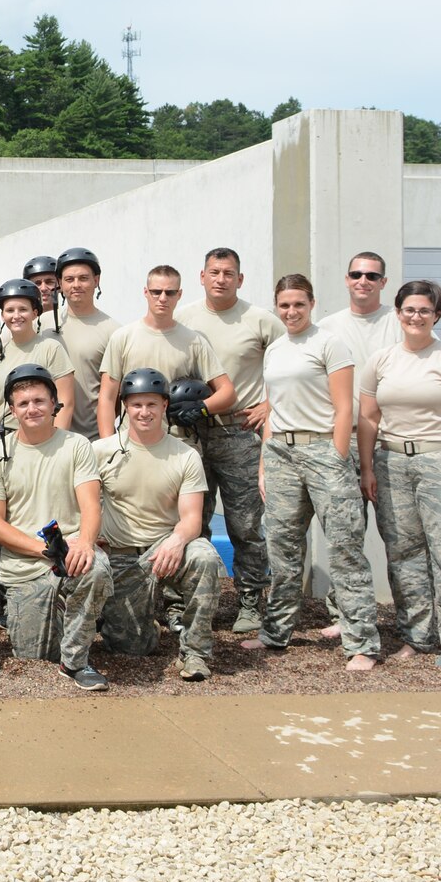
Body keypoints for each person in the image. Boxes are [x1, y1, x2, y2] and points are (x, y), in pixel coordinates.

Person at [358, 281, 441, 669]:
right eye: (409, 310)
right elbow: (368, 417)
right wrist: (367, 468)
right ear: (397, 313)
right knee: (403, 555)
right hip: (392, 463)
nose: (416, 317)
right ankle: (417, 636)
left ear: (437, 316)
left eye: (425, 311)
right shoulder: (381, 361)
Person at [258, 273, 377, 671]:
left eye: (299, 304)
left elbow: (346, 408)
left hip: (323, 450)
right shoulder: (274, 349)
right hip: (281, 455)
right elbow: (271, 408)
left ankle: (360, 640)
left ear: (312, 304)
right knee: (282, 548)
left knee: (344, 547)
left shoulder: (329, 343)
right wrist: (264, 463)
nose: (291, 311)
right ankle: (276, 633)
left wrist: (339, 455)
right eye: (285, 305)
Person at [87, 367, 225, 682]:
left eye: (152, 404)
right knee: (131, 648)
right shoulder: (101, 452)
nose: (144, 412)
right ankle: (145, 622)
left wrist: (176, 542)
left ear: (165, 406)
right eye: (136, 405)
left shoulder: (186, 455)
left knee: (204, 556)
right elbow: (84, 507)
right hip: (122, 555)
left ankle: (196, 653)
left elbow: (192, 519)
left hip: (167, 549)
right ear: (124, 406)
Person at [0, 364, 113, 686]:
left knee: (95, 568)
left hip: (72, 557)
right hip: (26, 568)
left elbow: (91, 506)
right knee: (33, 656)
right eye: (23, 403)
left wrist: (83, 542)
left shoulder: (77, 446)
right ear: (11, 410)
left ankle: (76, 663)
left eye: (39, 401)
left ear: (55, 403)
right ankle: (70, 619)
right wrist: (45, 551)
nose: (32, 409)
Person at [176, 247, 285, 636]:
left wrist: (271, 405)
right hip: (191, 434)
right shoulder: (183, 318)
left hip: (240, 432)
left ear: (240, 279)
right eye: (214, 272)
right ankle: (191, 604)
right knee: (192, 521)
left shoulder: (261, 321)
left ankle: (251, 602)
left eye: (229, 273)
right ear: (201, 276)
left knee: (246, 526)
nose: (220, 279)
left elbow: (297, 365)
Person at [314, 250, 398, 647]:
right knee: (345, 532)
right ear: (347, 280)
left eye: (371, 275)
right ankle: (343, 615)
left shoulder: (399, 324)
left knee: (400, 535)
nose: (363, 280)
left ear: (383, 282)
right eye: (356, 274)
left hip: (391, 442)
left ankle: (412, 619)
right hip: (342, 439)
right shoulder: (327, 327)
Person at [96, 264, 234, 431]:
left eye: (170, 292)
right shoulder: (122, 337)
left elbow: (227, 392)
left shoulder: (194, 341)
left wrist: (201, 407)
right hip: (131, 444)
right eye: (156, 292)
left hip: (180, 444)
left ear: (179, 294)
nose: (162, 298)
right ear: (146, 292)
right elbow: (107, 398)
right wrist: (108, 445)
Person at [0, 278, 78, 437]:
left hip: (40, 436)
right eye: (10, 310)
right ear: (2, 315)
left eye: (23, 309)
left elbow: (65, 403)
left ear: (35, 313)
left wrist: (57, 442)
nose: (16, 315)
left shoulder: (51, 348)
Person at [43, 247, 118, 440]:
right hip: (47, 439)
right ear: (59, 283)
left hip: (93, 439)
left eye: (83, 278)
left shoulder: (114, 331)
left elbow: (116, 396)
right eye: (69, 279)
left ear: (96, 280)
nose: (76, 285)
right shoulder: (40, 325)